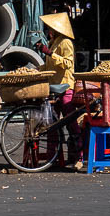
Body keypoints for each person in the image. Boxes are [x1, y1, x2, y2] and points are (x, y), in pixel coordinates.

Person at [35, 12, 84, 169]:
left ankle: (79, 157)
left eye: (50, 28)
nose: (48, 30)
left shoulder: (65, 43)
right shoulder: (53, 42)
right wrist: (36, 70)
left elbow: (67, 63)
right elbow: (49, 66)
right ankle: (52, 158)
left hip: (65, 86)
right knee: (51, 125)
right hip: (53, 87)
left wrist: (49, 53)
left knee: (71, 122)